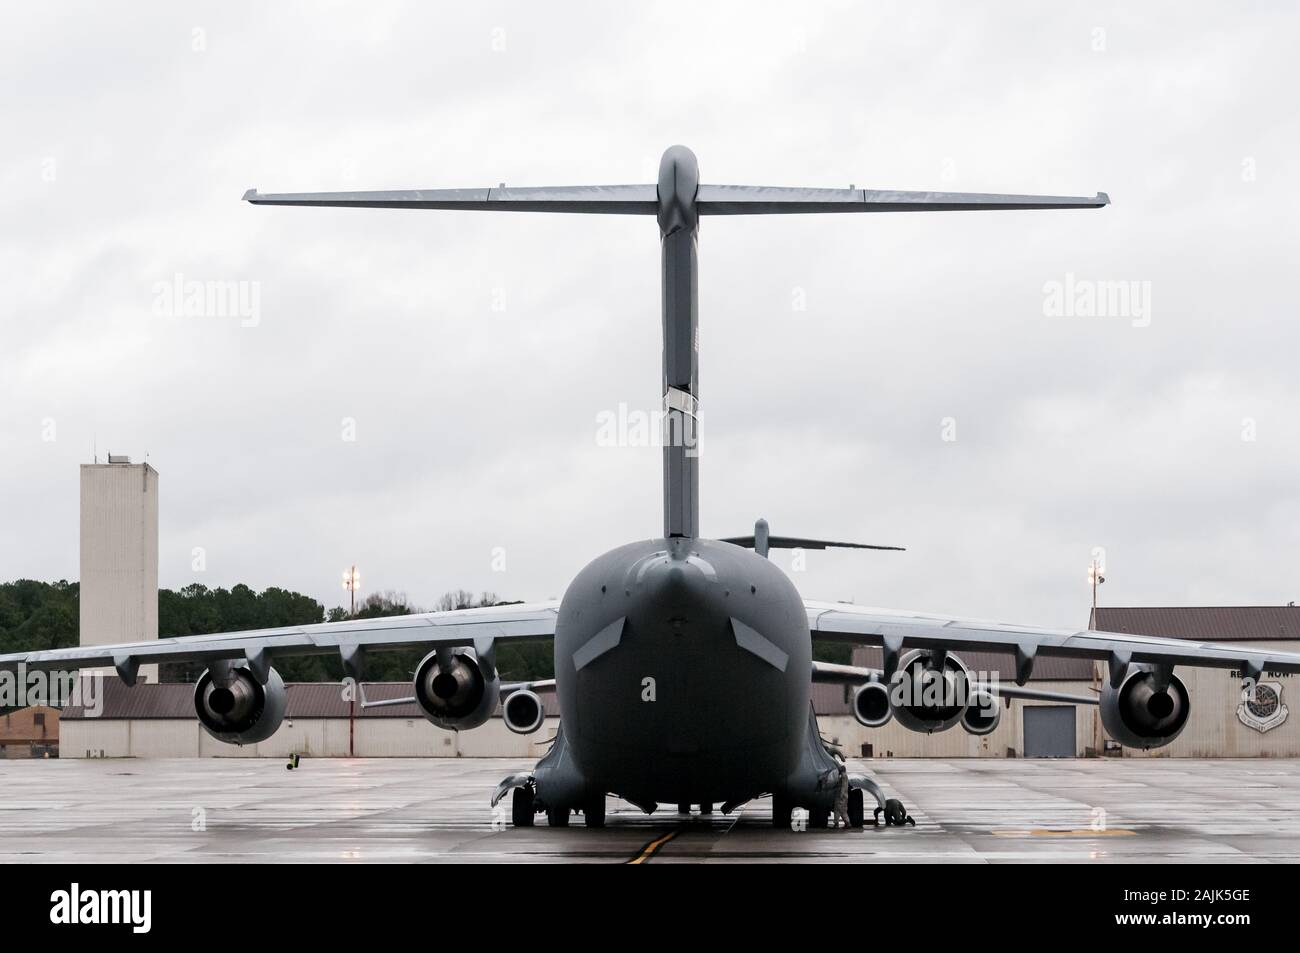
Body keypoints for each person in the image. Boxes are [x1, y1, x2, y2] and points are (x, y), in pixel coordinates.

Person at [832, 753, 850, 829]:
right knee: (840, 810)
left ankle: (842, 823)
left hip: (841, 796)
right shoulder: (843, 776)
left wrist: (841, 795)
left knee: (839, 810)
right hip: (842, 796)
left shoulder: (843, 776)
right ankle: (845, 823)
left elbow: (843, 787)